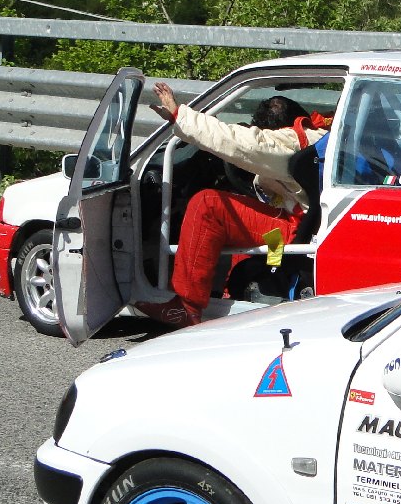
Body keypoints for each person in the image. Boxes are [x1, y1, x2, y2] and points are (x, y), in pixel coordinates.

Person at [141, 81, 331, 326]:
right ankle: (239, 291)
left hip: (299, 231)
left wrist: (181, 116)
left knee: (209, 206)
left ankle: (188, 307)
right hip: (301, 225)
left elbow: (240, 142)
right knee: (237, 222)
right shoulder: (319, 134)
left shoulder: (290, 142)